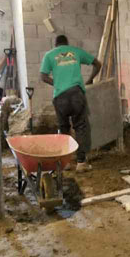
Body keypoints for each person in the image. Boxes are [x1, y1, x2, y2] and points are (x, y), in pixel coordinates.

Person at [40, 35, 102, 173]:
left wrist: (58, 83)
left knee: (64, 128)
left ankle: (65, 163)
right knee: (81, 127)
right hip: (76, 94)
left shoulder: (49, 55)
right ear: (67, 44)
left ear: (56, 45)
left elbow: (43, 76)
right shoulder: (76, 51)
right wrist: (89, 80)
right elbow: (98, 64)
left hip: (59, 97)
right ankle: (81, 162)